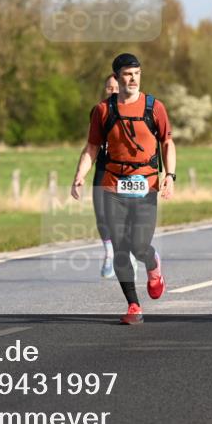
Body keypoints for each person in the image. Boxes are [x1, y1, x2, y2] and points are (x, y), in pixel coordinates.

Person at [72, 54, 176, 325]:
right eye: (127, 74)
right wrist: (80, 175)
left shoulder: (155, 107)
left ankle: (153, 266)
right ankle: (133, 304)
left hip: (146, 184)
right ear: (117, 77)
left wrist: (170, 175)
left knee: (139, 245)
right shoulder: (103, 110)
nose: (132, 79)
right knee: (119, 247)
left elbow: (167, 142)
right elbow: (92, 147)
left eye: (137, 73)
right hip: (112, 185)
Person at [93, 73, 120, 278]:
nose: (112, 91)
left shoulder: (132, 110)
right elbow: (92, 143)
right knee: (101, 213)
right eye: (109, 88)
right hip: (102, 167)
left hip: (124, 170)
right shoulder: (98, 110)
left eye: (115, 87)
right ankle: (109, 252)